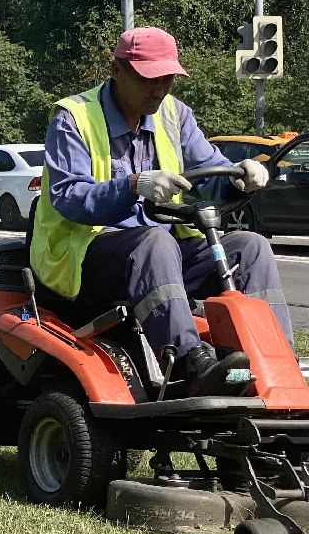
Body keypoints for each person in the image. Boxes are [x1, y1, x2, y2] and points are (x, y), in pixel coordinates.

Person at [31, 26, 294, 396]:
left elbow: (210, 171)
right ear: (117, 70)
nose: (159, 90)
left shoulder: (174, 114)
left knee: (249, 247)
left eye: (168, 79)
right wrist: (132, 186)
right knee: (154, 241)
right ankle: (190, 362)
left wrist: (242, 177)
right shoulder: (74, 117)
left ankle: (277, 362)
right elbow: (68, 195)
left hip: (162, 256)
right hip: (87, 257)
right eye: (148, 79)